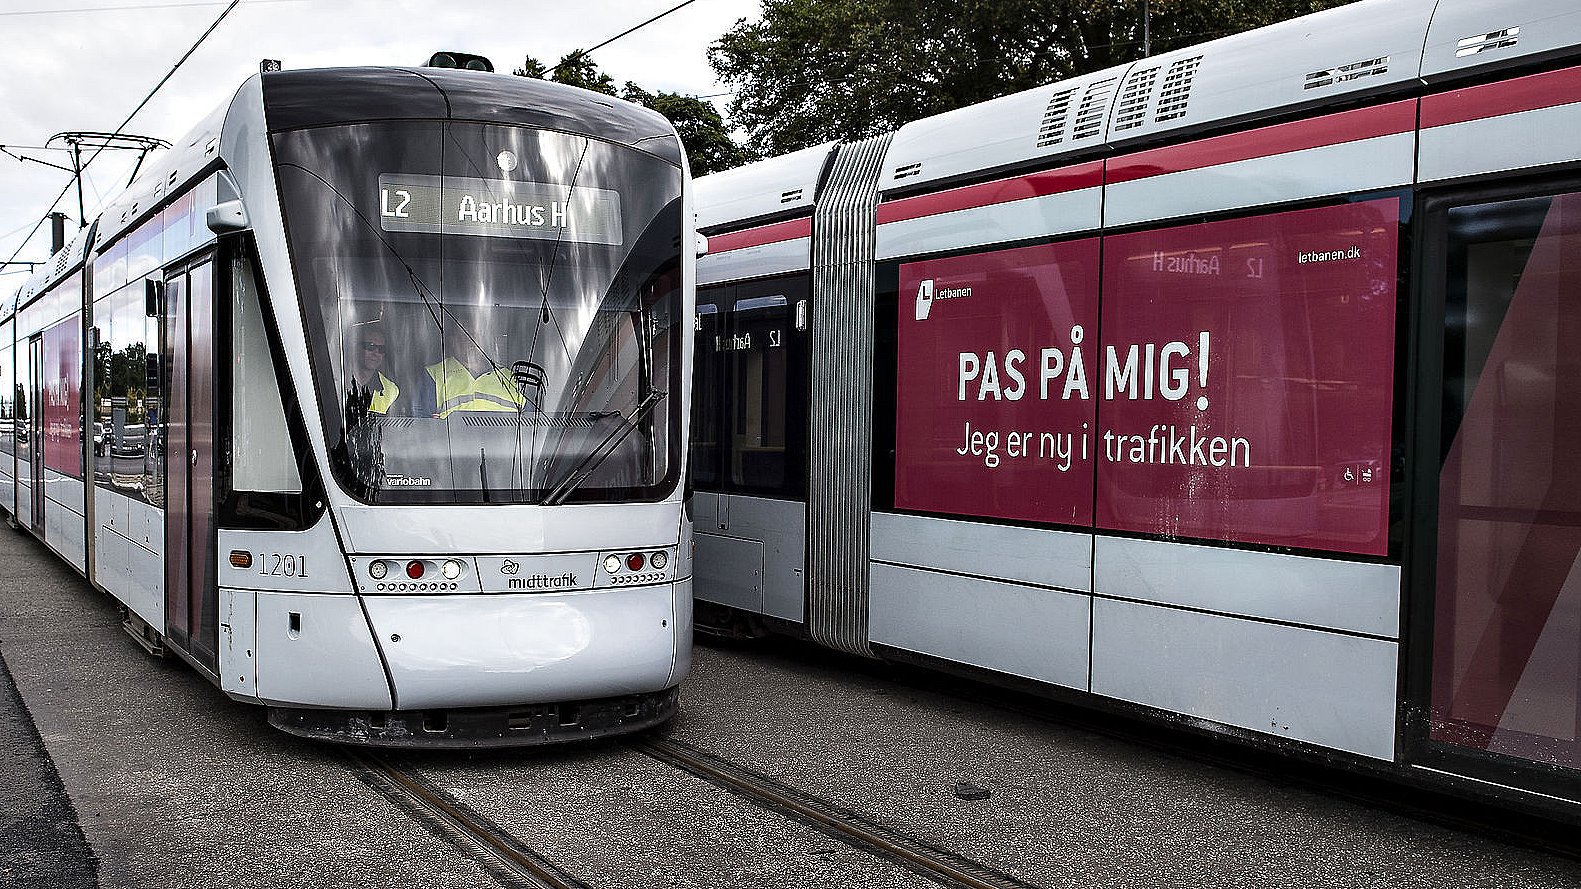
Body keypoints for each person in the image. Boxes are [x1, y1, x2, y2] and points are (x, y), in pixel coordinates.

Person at [425, 320, 525, 418]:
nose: (469, 341)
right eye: (462, 336)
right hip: (451, 435)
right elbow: (419, 420)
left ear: (483, 340)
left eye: (474, 336)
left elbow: (532, 420)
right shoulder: (434, 375)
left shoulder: (513, 379)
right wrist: (433, 424)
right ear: (452, 341)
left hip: (510, 435)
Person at [347, 320, 400, 415]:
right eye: (370, 347)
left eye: (381, 349)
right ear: (355, 348)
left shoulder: (391, 390)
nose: (376, 353)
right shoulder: (339, 379)